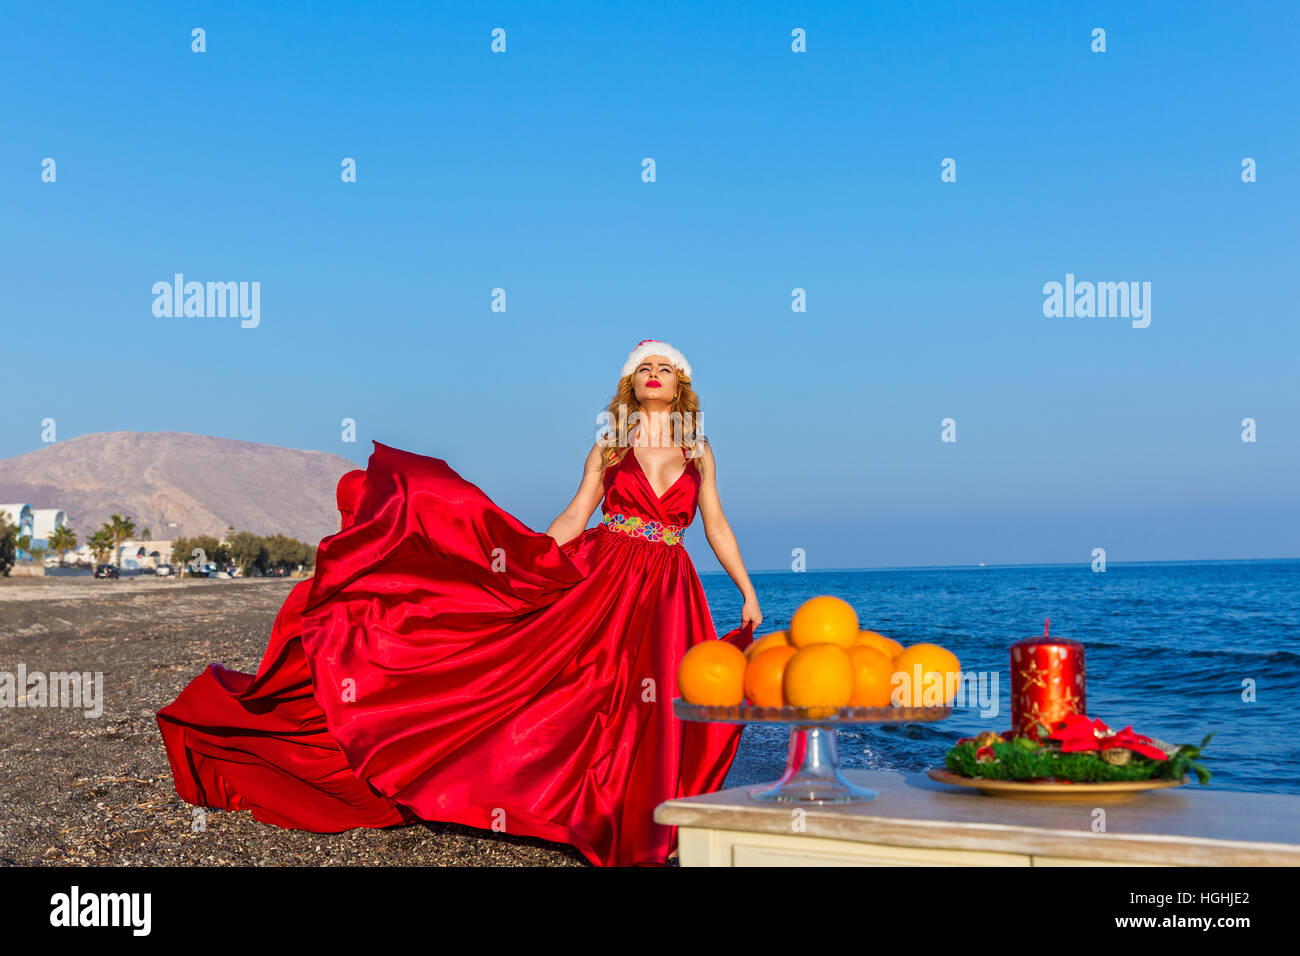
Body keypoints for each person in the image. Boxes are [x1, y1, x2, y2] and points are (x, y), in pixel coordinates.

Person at [155, 339, 763, 866]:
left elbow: (716, 525)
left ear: (680, 382)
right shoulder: (608, 447)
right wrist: (524, 560)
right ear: (630, 383)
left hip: (669, 585)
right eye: (643, 366)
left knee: (654, 698)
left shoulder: (700, 450)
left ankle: (648, 819)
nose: (653, 372)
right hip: (608, 572)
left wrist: (747, 590)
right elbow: (577, 516)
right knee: (588, 690)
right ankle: (589, 809)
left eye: (664, 366)